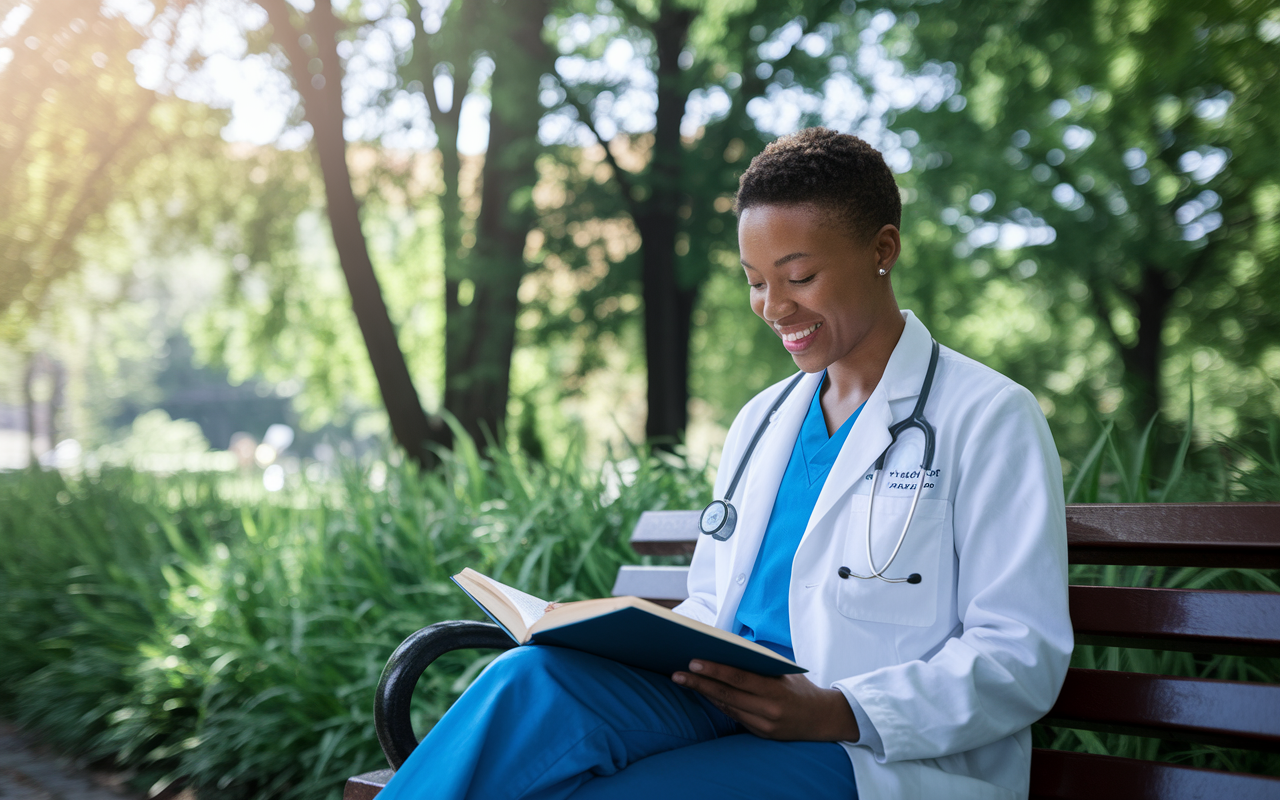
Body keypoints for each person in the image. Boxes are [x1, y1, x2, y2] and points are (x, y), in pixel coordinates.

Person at [374, 127, 1073, 800]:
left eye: (798, 275)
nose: (774, 307)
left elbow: (1019, 653)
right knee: (528, 680)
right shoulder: (762, 420)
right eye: (755, 281)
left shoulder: (987, 417)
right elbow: (716, 599)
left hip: (866, 750)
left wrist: (837, 710)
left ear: (882, 248)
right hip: (719, 698)